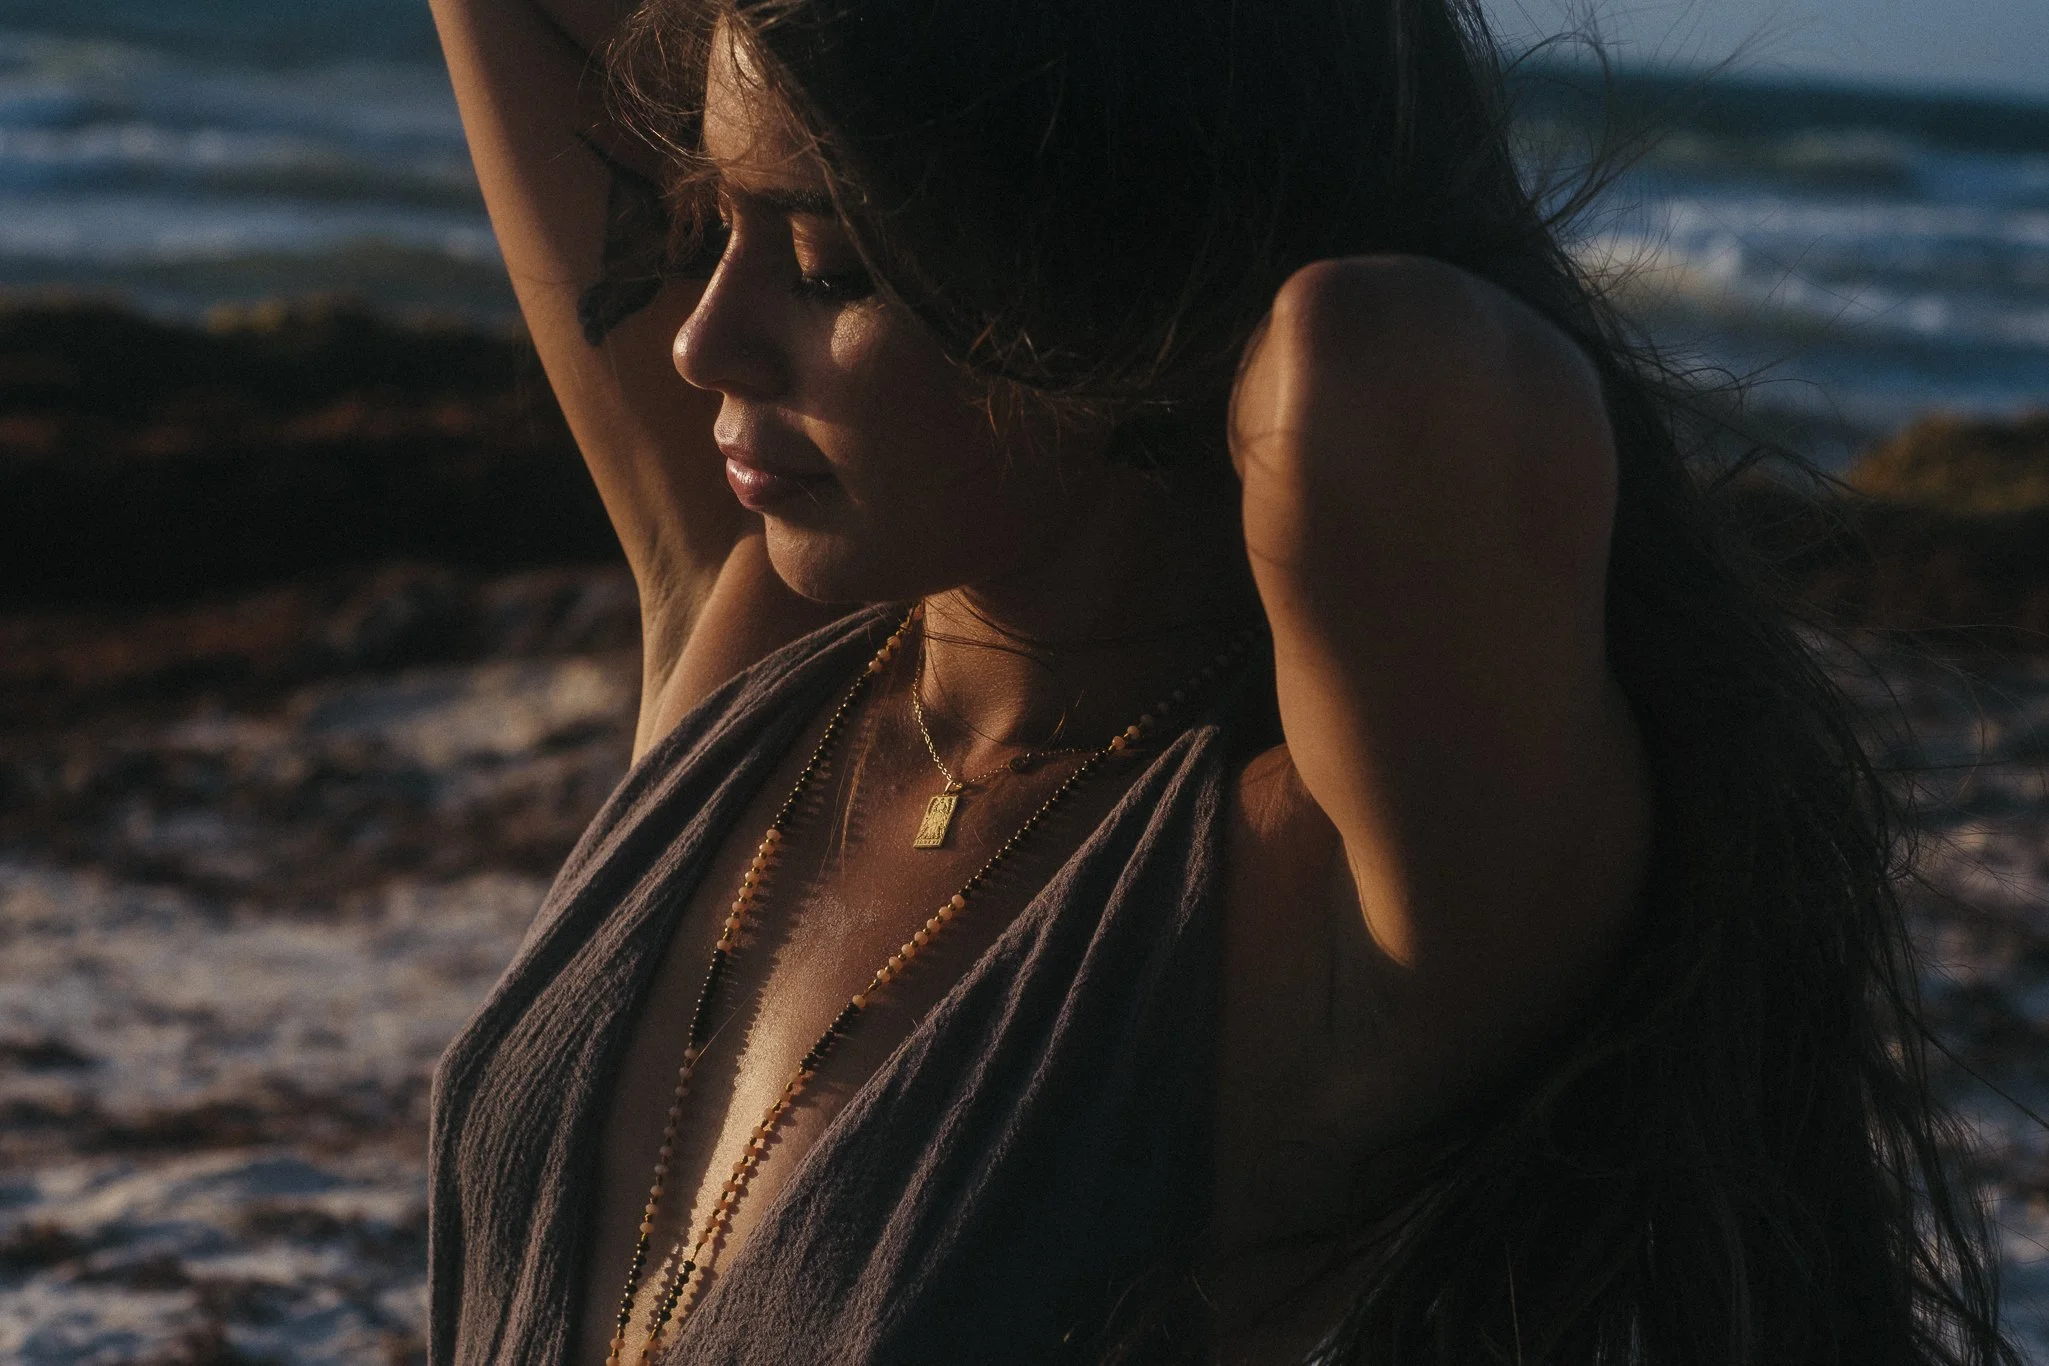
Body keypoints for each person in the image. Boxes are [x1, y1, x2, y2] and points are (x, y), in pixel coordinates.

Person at [424, 0, 2017, 1361]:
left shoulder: (1324, 902)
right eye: (710, 228)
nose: (703, 342)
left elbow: (1390, 357)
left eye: (832, 264)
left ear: (1105, 260)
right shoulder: (753, 644)